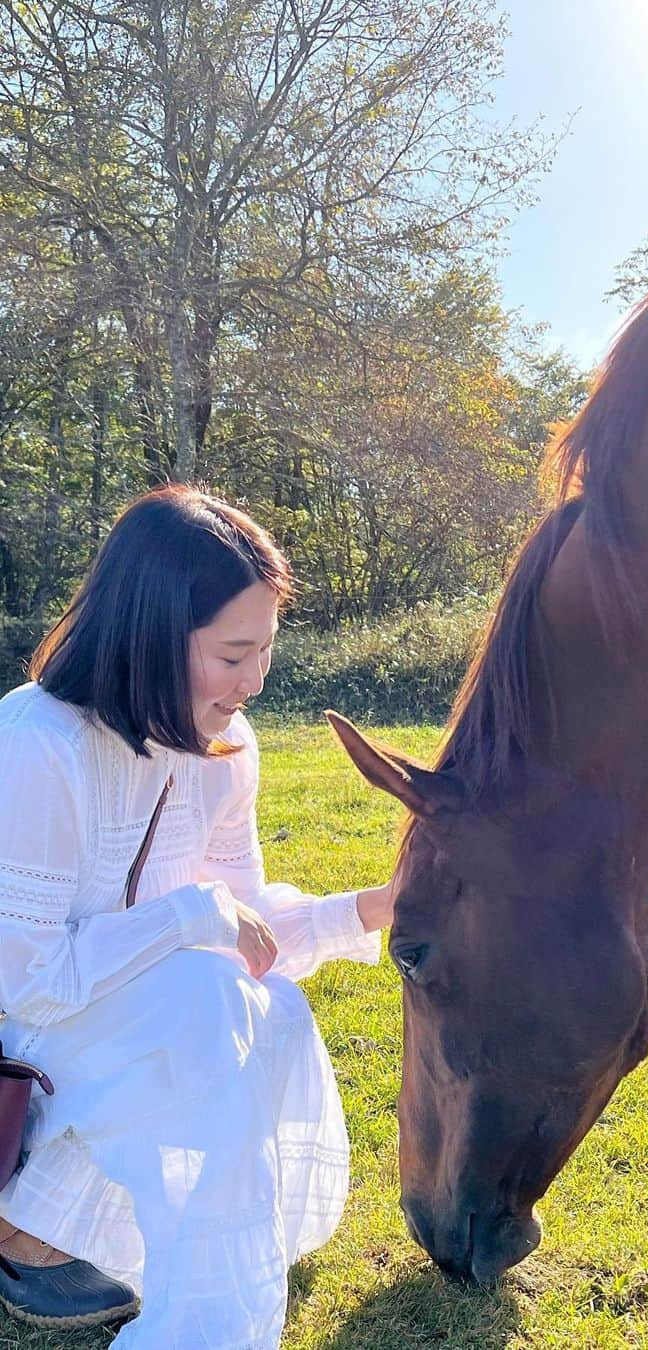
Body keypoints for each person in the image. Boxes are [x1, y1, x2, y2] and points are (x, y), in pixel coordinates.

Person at [0, 486, 394, 1347]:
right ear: (146, 637)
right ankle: (32, 1226)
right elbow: (25, 985)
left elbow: (244, 931)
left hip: (136, 1022)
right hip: (21, 1040)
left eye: (266, 652)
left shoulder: (228, 746)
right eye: (231, 654)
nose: (253, 683)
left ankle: (125, 1254)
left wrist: (381, 905)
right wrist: (187, 919)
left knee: (260, 1004)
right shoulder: (39, 742)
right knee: (203, 1001)